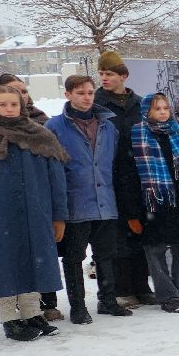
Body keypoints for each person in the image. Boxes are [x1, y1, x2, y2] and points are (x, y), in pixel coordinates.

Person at [0, 85, 68, 341]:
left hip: (36, 214)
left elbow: (56, 181)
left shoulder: (41, 137)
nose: (9, 109)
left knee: (35, 262)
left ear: (22, 105)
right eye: (3, 104)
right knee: (3, 265)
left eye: (13, 104)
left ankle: (32, 313)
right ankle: (9, 317)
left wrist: (58, 215)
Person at [113, 93, 179, 314]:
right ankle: (167, 295)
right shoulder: (134, 136)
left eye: (165, 108)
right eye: (157, 109)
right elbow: (126, 177)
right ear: (147, 111)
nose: (162, 113)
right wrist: (131, 213)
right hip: (152, 205)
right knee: (155, 252)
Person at [46, 74, 126, 323]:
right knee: (73, 258)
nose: (86, 97)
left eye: (90, 92)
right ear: (68, 94)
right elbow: (52, 169)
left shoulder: (108, 126)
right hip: (75, 203)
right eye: (80, 93)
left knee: (105, 255)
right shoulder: (54, 127)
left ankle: (108, 300)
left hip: (105, 202)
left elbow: (112, 163)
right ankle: (78, 307)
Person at [93, 50, 154, 307]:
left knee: (140, 230)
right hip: (110, 173)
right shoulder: (97, 104)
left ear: (123, 76)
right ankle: (120, 287)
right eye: (101, 74)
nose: (104, 79)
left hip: (138, 172)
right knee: (115, 235)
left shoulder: (139, 103)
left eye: (109, 74)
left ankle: (141, 284)